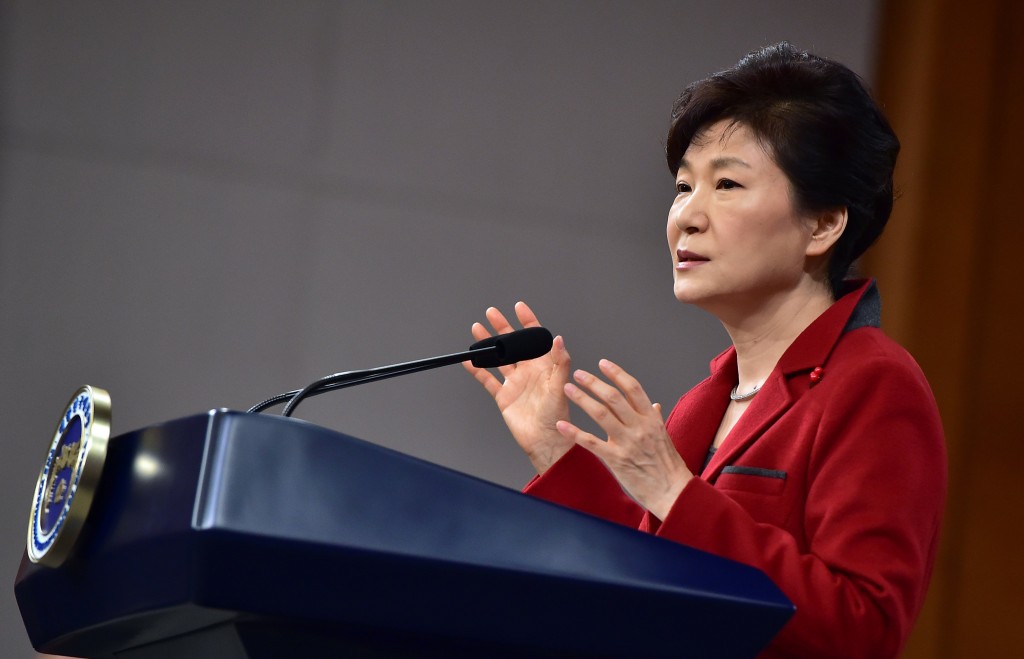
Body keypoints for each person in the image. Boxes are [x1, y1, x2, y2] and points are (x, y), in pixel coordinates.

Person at [463, 43, 946, 658]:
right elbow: (642, 579)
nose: (687, 216)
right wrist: (555, 451)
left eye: (727, 183)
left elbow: (862, 629)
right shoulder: (704, 402)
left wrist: (675, 492)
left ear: (823, 225)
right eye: (684, 185)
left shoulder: (875, 385)